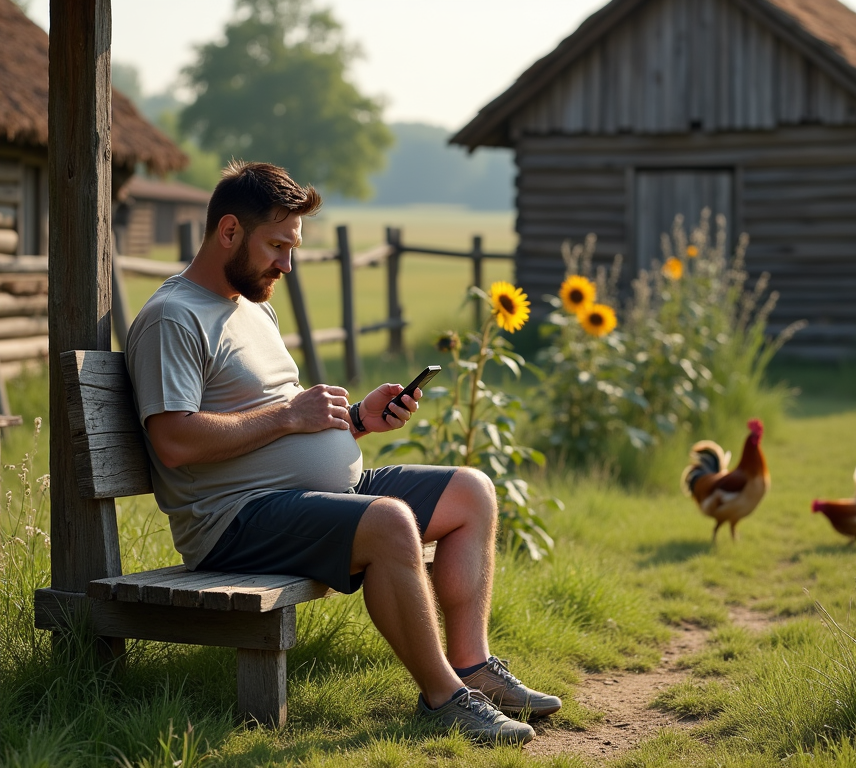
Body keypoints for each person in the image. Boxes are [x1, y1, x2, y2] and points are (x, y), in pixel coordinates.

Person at [125, 160, 561, 745]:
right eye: (277, 246)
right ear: (228, 231)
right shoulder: (172, 319)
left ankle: (473, 667)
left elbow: (276, 428)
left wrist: (354, 422)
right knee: (389, 523)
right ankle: (445, 699)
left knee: (471, 492)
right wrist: (289, 414)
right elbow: (174, 442)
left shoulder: (254, 306)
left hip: (303, 497)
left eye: (293, 247)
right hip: (232, 519)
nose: (286, 263)